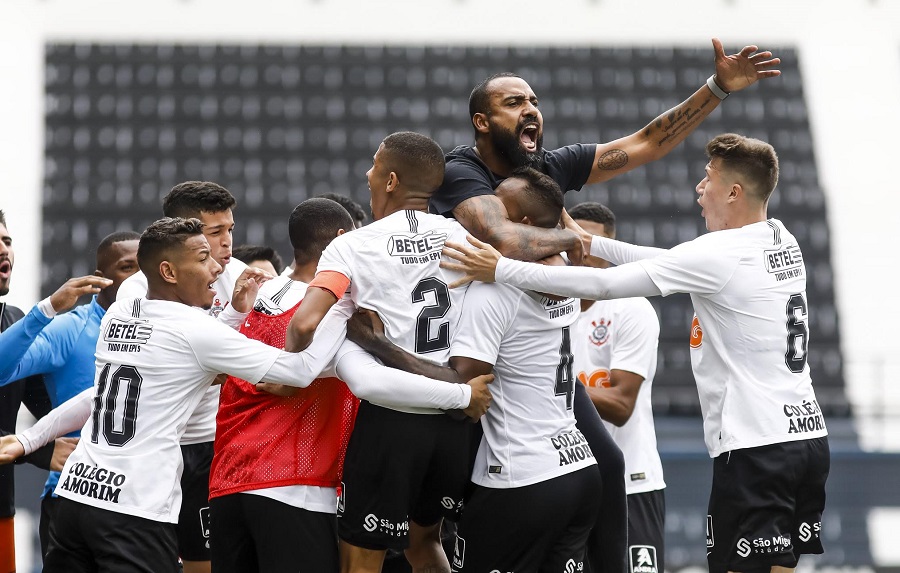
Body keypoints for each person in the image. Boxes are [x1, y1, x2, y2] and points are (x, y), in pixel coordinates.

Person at [429, 39, 781, 572]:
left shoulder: (544, 167)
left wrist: (717, 89)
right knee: (462, 477)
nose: (531, 110)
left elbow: (642, 145)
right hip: (476, 347)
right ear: (481, 121)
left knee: (609, 459)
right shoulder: (463, 172)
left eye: (534, 101)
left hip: (540, 350)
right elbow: (500, 240)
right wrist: (572, 241)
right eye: (514, 103)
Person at [208, 198, 492, 573]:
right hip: (295, 483)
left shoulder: (255, 296)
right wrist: (462, 394)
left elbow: (218, 370)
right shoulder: (338, 307)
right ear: (340, 242)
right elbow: (332, 376)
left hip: (227, 479)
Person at [348, 168, 602, 571]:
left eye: (498, 209)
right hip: (577, 466)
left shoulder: (495, 290)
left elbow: (462, 395)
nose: (485, 215)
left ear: (522, 227)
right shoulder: (569, 281)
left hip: (520, 478)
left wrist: (378, 344)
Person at [286, 132, 479, 573]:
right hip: (454, 423)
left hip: (392, 419)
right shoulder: (465, 237)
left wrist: (291, 353)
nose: (367, 174)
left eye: (373, 166)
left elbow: (305, 322)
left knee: (361, 559)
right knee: (426, 541)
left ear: (391, 180)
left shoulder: (353, 244)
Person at [116, 181, 254, 573]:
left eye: (231, 229)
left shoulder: (239, 275)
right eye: (215, 234)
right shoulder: (135, 293)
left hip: (211, 442)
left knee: (203, 561)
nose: (227, 243)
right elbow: (178, 367)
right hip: (154, 445)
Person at [0, 230, 140, 557]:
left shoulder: (169, 330)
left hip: (141, 502)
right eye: (127, 267)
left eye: (8, 240)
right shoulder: (67, 329)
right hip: (74, 499)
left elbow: (47, 408)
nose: (138, 279)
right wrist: (46, 309)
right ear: (100, 278)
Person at [568, 203, 666, 573]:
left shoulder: (631, 310)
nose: (581, 253)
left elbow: (622, 405)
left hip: (631, 484)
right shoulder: (542, 310)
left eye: (592, 245)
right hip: (566, 483)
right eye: (573, 243)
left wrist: (546, 380)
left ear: (610, 252)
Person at [0, 209, 80, 573]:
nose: (4, 250)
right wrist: (39, 451)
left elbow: (43, 404)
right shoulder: (31, 320)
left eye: (7, 241)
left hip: (2, 505)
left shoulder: (14, 320)